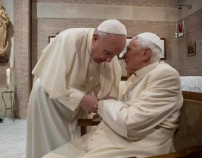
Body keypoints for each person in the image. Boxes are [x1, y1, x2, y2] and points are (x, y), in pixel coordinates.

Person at [42, 32, 183, 158]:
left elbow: (130, 123)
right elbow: (120, 108)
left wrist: (101, 103)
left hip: (138, 146)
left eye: (128, 50)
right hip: (112, 140)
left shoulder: (165, 75)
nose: (123, 56)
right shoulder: (136, 77)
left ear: (146, 53)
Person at [26, 19, 127, 158]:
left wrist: (104, 100)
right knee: (51, 146)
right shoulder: (69, 39)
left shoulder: (108, 52)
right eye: (107, 53)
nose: (109, 60)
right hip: (49, 103)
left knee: (74, 146)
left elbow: (107, 88)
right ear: (95, 39)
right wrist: (81, 98)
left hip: (76, 106)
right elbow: (50, 81)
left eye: (114, 55)